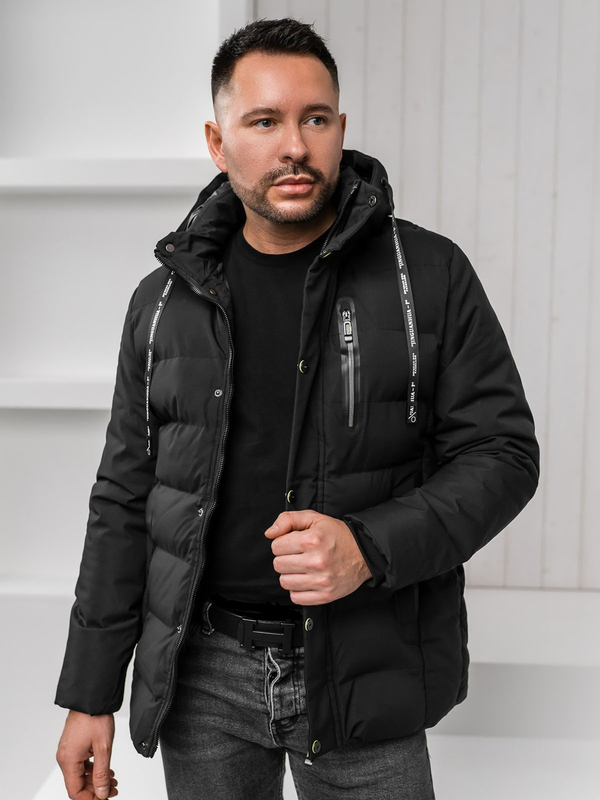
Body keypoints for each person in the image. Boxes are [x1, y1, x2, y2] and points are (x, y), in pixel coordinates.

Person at [55, 17, 539, 800]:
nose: (294, 146)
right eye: (264, 121)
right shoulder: (163, 303)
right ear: (218, 143)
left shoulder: (427, 275)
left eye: (315, 119)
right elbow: (124, 498)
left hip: (365, 664)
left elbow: (504, 455)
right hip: (202, 674)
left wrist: (368, 547)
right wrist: (90, 692)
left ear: (341, 129)